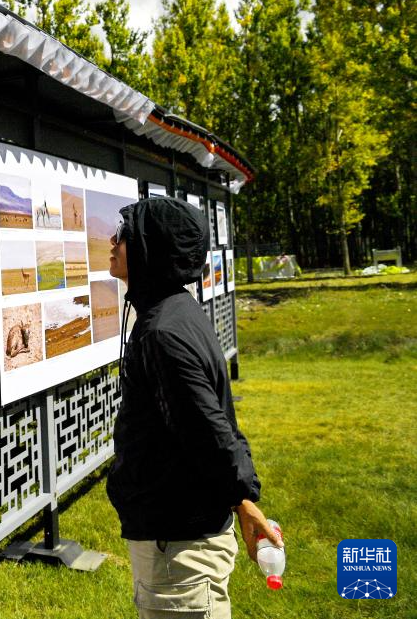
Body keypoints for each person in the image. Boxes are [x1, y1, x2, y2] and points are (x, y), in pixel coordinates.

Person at [106, 197, 282, 619]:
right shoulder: (176, 312)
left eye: (125, 233)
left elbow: (207, 430)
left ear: (151, 247)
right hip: (178, 536)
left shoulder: (163, 332)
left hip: (180, 550)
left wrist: (242, 499)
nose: (112, 240)